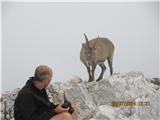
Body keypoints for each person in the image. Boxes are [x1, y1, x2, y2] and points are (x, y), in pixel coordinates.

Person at [14, 65, 78, 120]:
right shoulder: (26, 94)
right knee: (65, 117)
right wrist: (55, 111)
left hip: (42, 117)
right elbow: (32, 118)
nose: (51, 80)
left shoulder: (40, 89)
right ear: (46, 80)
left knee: (73, 109)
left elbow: (47, 106)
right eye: (50, 78)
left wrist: (59, 107)